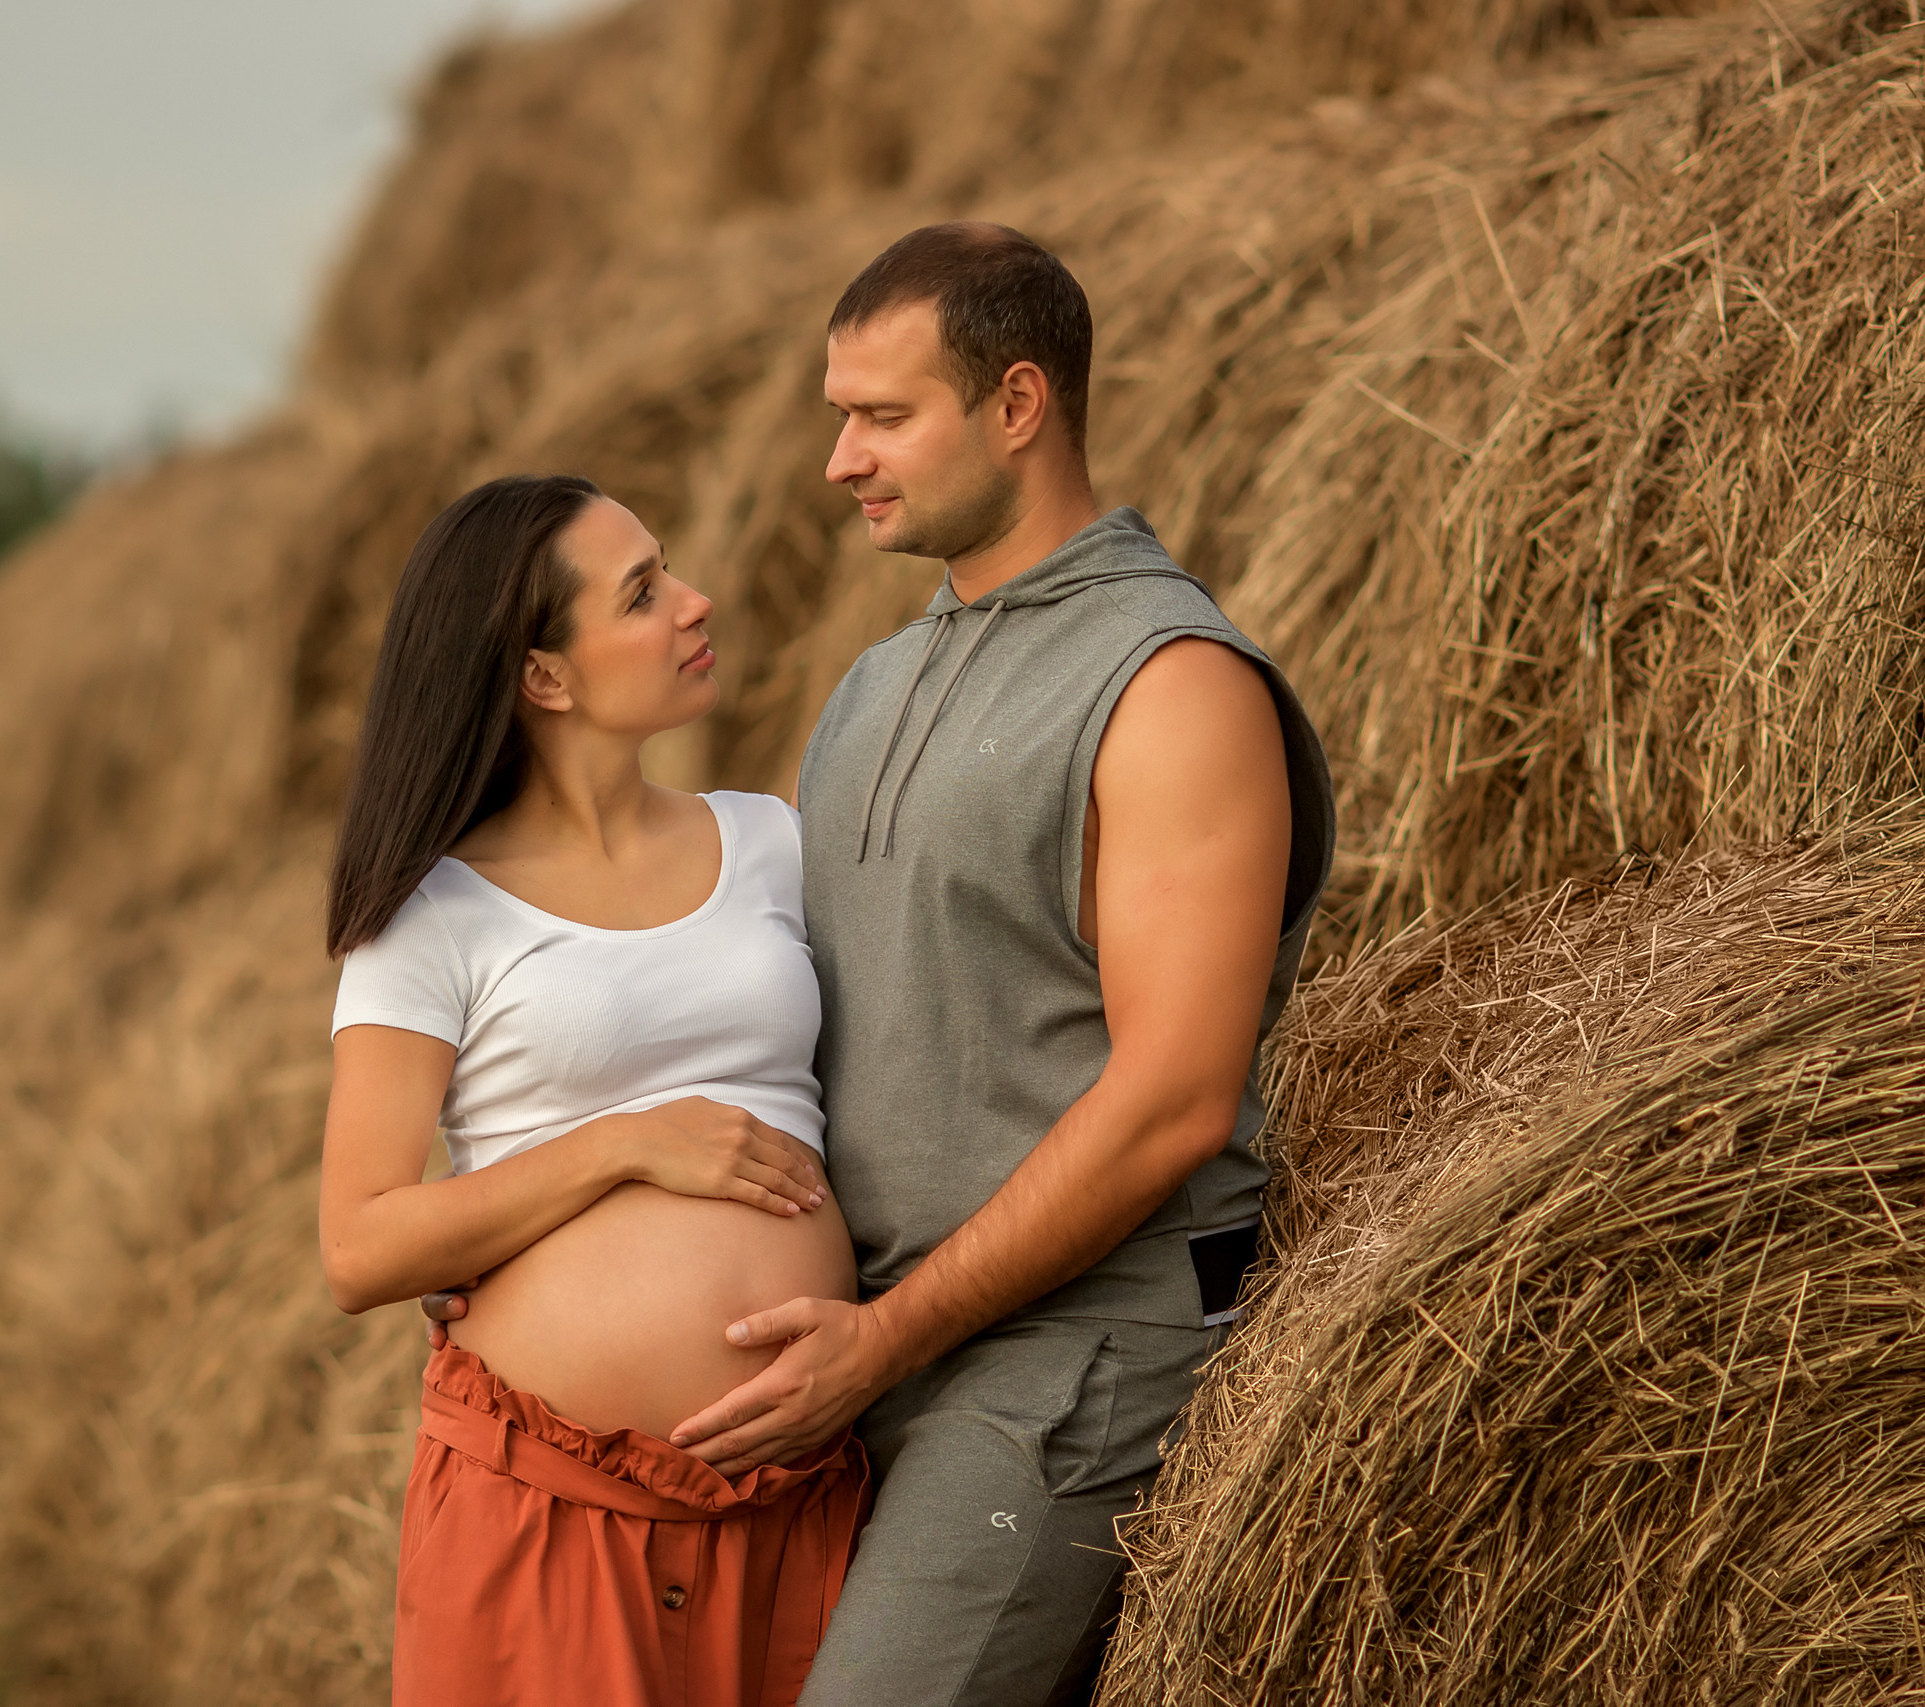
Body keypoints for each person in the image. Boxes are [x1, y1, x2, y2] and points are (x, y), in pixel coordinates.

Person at [431, 222, 1335, 1702]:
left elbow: (1175, 1096)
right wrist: (535, 1229)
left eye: (884, 415)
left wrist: (887, 1335)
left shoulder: (1172, 687)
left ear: (1020, 405)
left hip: (1067, 1353)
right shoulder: (872, 687)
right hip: (863, 1353)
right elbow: (772, 1028)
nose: (840, 458)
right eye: (838, 414)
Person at [318, 474, 871, 1707]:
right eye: (642, 593)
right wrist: (622, 1146)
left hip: (796, 1498)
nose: (695, 601)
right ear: (545, 676)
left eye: (667, 570)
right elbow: (359, 1246)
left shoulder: (776, 843)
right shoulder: (429, 917)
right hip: (549, 1509)